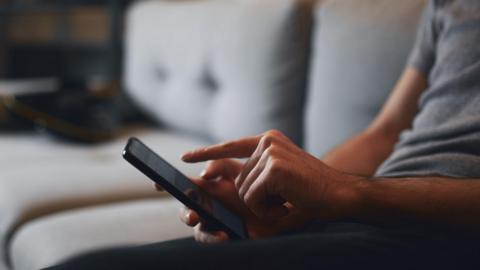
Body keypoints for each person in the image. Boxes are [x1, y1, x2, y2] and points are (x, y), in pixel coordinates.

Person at [47, 0, 480, 269]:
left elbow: (354, 188)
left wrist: (350, 193)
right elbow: (384, 133)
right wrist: (290, 203)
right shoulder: (450, 5)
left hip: (444, 236)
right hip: (362, 221)